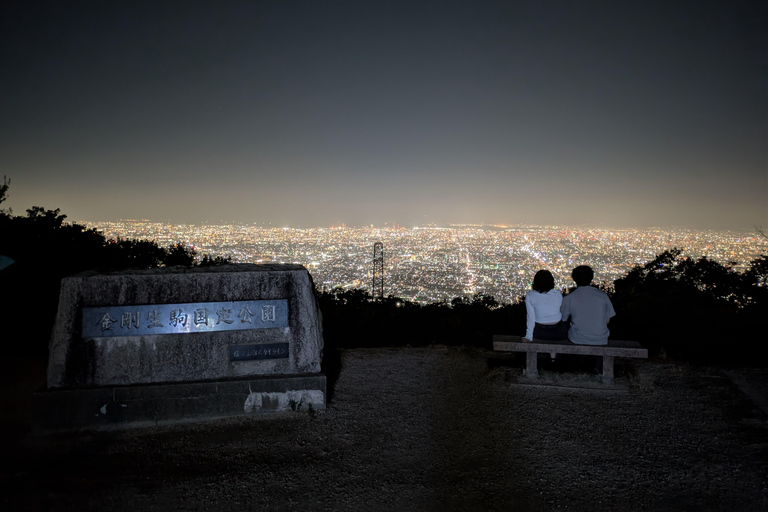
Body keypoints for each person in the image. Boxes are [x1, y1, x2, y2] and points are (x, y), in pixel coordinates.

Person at [560, 265, 615, 346]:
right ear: (591, 278)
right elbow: (608, 319)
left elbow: (562, 318)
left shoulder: (569, 298)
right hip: (600, 339)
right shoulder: (602, 295)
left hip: (577, 339)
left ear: (574, 279)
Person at [522, 270, 568, 342]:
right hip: (558, 330)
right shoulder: (558, 294)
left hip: (539, 330)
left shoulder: (530, 295)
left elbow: (531, 317)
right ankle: (554, 353)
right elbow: (560, 310)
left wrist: (529, 335)